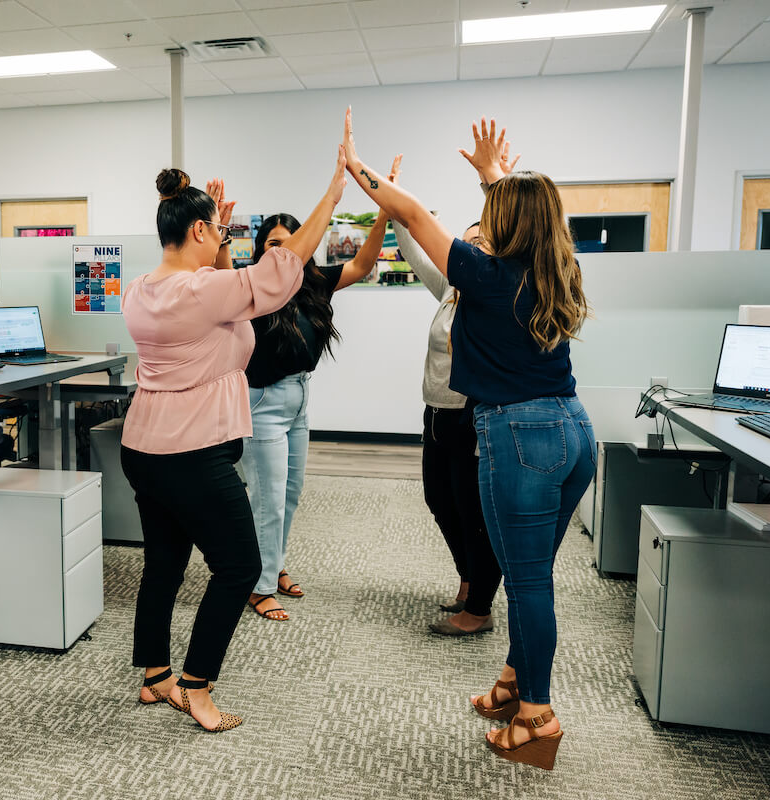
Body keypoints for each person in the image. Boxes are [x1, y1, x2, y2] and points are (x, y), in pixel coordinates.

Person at [342, 110, 593, 770]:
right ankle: (514, 684)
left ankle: (537, 717)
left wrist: (357, 168)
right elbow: (530, 211)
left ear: (505, 226)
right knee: (528, 576)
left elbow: (412, 209)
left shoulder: (482, 275)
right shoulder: (555, 267)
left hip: (519, 434)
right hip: (573, 430)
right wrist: (493, 174)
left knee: (530, 585)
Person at [124, 152, 347, 732]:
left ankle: (155, 676)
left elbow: (228, 291)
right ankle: (198, 687)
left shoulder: (142, 289)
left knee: (165, 563)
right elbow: (277, 272)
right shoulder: (198, 294)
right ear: (197, 230)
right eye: (219, 231)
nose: (226, 239)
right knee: (240, 565)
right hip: (190, 450)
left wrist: (218, 239)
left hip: (145, 448)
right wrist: (332, 196)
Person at [240, 174, 393, 622]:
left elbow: (363, 264)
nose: (280, 250)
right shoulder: (251, 285)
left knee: (289, 494)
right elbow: (217, 271)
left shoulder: (314, 282)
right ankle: (259, 584)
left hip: (300, 400)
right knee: (266, 497)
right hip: (263, 402)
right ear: (260, 249)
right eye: (271, 243)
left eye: (289, 242)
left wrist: (382, 215)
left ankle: (272, 565)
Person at [389, 162, 505, 636]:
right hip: (436, 413)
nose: (471, 249)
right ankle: (468, 577)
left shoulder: (490, 296)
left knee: (472, 511)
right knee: (439, 501)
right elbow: (415, 251)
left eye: (482, 243)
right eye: (466, 242)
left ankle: (478, 604)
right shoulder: (450, 291)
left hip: (470, 416)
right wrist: (394, 204)